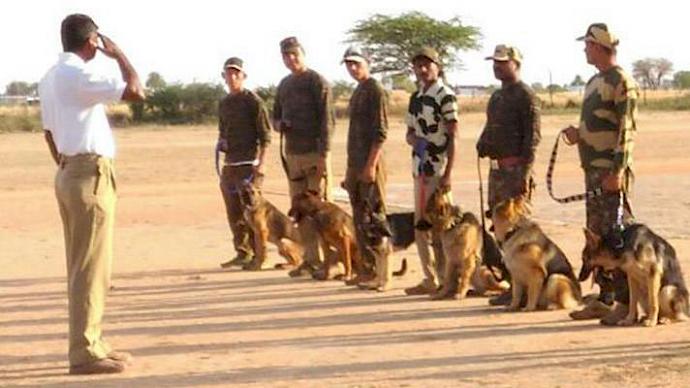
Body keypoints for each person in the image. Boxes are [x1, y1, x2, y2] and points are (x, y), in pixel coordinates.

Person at [38, 14, 144, 374]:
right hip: (88, 172)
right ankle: (84, 351)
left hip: (68, 169)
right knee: (90, 268)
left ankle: (92, 341)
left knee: (83, 264)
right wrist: (119, 55)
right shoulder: (78, 74)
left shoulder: (51, 75)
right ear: (91, 41)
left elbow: (49, 132)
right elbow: (135, 90)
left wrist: (66, 164)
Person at [562, 23, 638, 325]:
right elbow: (599, 124)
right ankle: (604, 297)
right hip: (593, 173)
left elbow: (626, 130)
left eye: (588, 44)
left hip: (609, 173)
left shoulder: (622, 81)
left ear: (599, 47)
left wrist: (617, 171)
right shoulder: (594, 81)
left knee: (615, 237)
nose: (584, 49)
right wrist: (578, 134)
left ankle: (625, 301)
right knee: (597, 240)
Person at [477, 44, 541, 306]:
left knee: (520, 230)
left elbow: (532, 138)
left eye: (502, 62)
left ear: (516, 63)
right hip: (497, 171)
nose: (497, 66)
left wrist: (524, 174)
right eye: (495, 62)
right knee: (500, 230)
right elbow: (490, 127)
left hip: (516, 170)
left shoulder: (526, 95)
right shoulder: (497, 97)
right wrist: (483, 142)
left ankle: (528, 286)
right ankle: (511, 283)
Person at [273, 36, 335, 277]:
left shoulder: (317, 82)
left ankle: (331, 261)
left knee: (322, 211)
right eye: (286, 56)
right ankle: (310, 259)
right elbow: (275, 117)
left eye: (294, 54)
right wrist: (280, 125)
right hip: (293, 154)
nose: (291, 59)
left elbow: (327, 122)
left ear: (303, 54)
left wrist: (324, 155)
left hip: (315, 153)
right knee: (300, 211)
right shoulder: (284, 84)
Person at [404, 47, 459, 296]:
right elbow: (409, 132)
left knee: (442, 226)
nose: (423, 69)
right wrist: (415, 142)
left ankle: (448, 278)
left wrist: (448, 174)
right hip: (420, 168)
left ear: (437, 66)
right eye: (418, 65)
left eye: (427, 65)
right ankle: (430, 277)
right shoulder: (415, 97)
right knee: (422, 227)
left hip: (438, 168)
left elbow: (453, 135)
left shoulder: (445, 95)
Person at [340, 47, 392, 292]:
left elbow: (381, 132)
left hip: (371, 162)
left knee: (374, 217)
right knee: (359, 217)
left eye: (356, 63)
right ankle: (366, 268)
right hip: (356, 162)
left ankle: (380, 271)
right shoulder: (358, 90)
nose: (352, 68)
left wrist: (371, 164)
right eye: (348, 64)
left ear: (367, 63)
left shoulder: (375, 90)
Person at [217, 57, 272, 270]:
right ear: (223, 77)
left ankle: (259, 255)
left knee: (253, 212)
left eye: (236, 73)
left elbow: (266, 135)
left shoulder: (253, 101)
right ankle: (242, 251)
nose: (232, 77)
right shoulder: (224, 103)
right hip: (230, 163)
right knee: (234, 211)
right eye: (228, 73)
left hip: (250, 163)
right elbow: (223, 130)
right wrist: (222, 143)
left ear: (243, 76)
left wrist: (262, 161)